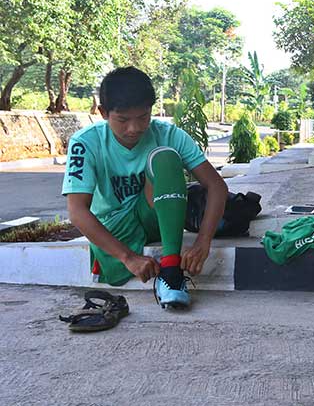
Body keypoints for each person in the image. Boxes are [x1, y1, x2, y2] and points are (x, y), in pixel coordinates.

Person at [62, 67, 228, 309]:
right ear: (103, 113)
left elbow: (216, 186)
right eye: (123, 120)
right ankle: (144, 264)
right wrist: (127, 257)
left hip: (156, 222)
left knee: (165, 158)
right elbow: (77, 211)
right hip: (116, 228)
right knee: (161, 158)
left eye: (143, 117)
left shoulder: (169, 134)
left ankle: (171, 274)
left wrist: (203, 241)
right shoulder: (85, 142)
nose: (134, 128)